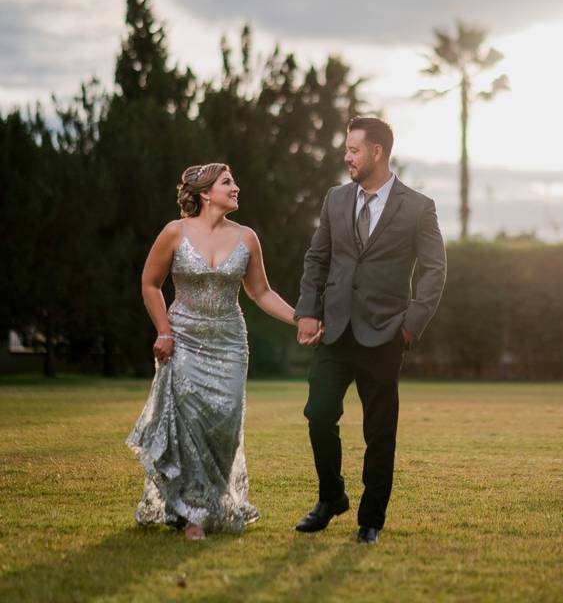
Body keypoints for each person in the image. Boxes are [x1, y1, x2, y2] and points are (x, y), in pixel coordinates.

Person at [294, 116, 446, 543]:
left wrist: (411, 324)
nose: (347, 157)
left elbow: (435, 271)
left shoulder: (418, 206)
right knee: (318, 414)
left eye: (354, 150)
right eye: (346, 150)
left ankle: (371, 519)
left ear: (377, 152)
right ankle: (331, 497)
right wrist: (308, 310)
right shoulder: (335, 199)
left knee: (379, 430)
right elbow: (316, 259)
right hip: (335, 331)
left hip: (385, 334)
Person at [127, 163, 296, 541]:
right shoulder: (175, 232)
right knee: (191, 422)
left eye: (233, 181)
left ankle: (213, 502)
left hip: (230, 343)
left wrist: (299, 318)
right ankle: (194, 515)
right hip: (183, 338)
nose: (236, 188)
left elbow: (261, 293)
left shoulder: (247, 237)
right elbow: (150, 283)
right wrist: (164, 331)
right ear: (205, 193)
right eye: (227, 182)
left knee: (225, 424)